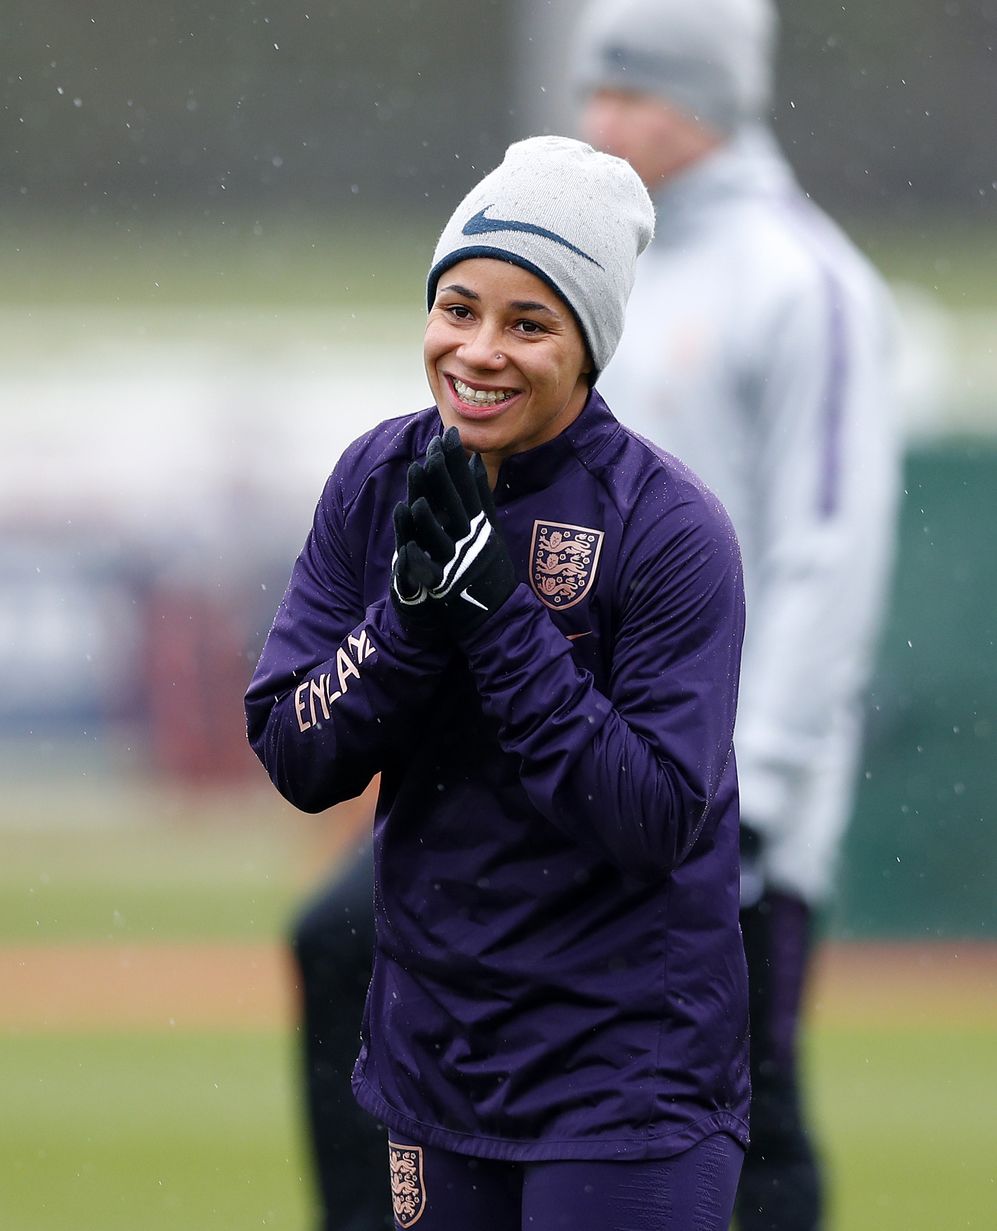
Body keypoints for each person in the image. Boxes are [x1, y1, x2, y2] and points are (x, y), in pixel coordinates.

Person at [246, 134, 750, 1230]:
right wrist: (410, 623)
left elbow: (655, 813)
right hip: (438, 1068)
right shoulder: (377, 481)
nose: (478, 350)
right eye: (457, 308)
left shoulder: (668, 529)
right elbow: (294, 749)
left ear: (588, 348)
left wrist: (495, 614)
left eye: (529, 324)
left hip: (629, 1084)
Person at [573, 3, 901, 1229]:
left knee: (741, 1102)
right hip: (592, 772)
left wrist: (750, 788)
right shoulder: (615, 267)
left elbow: (830, 551)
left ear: (696, 106)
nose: (594, 120)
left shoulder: (803, 282)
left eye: (622, 96)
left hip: (718, 792)